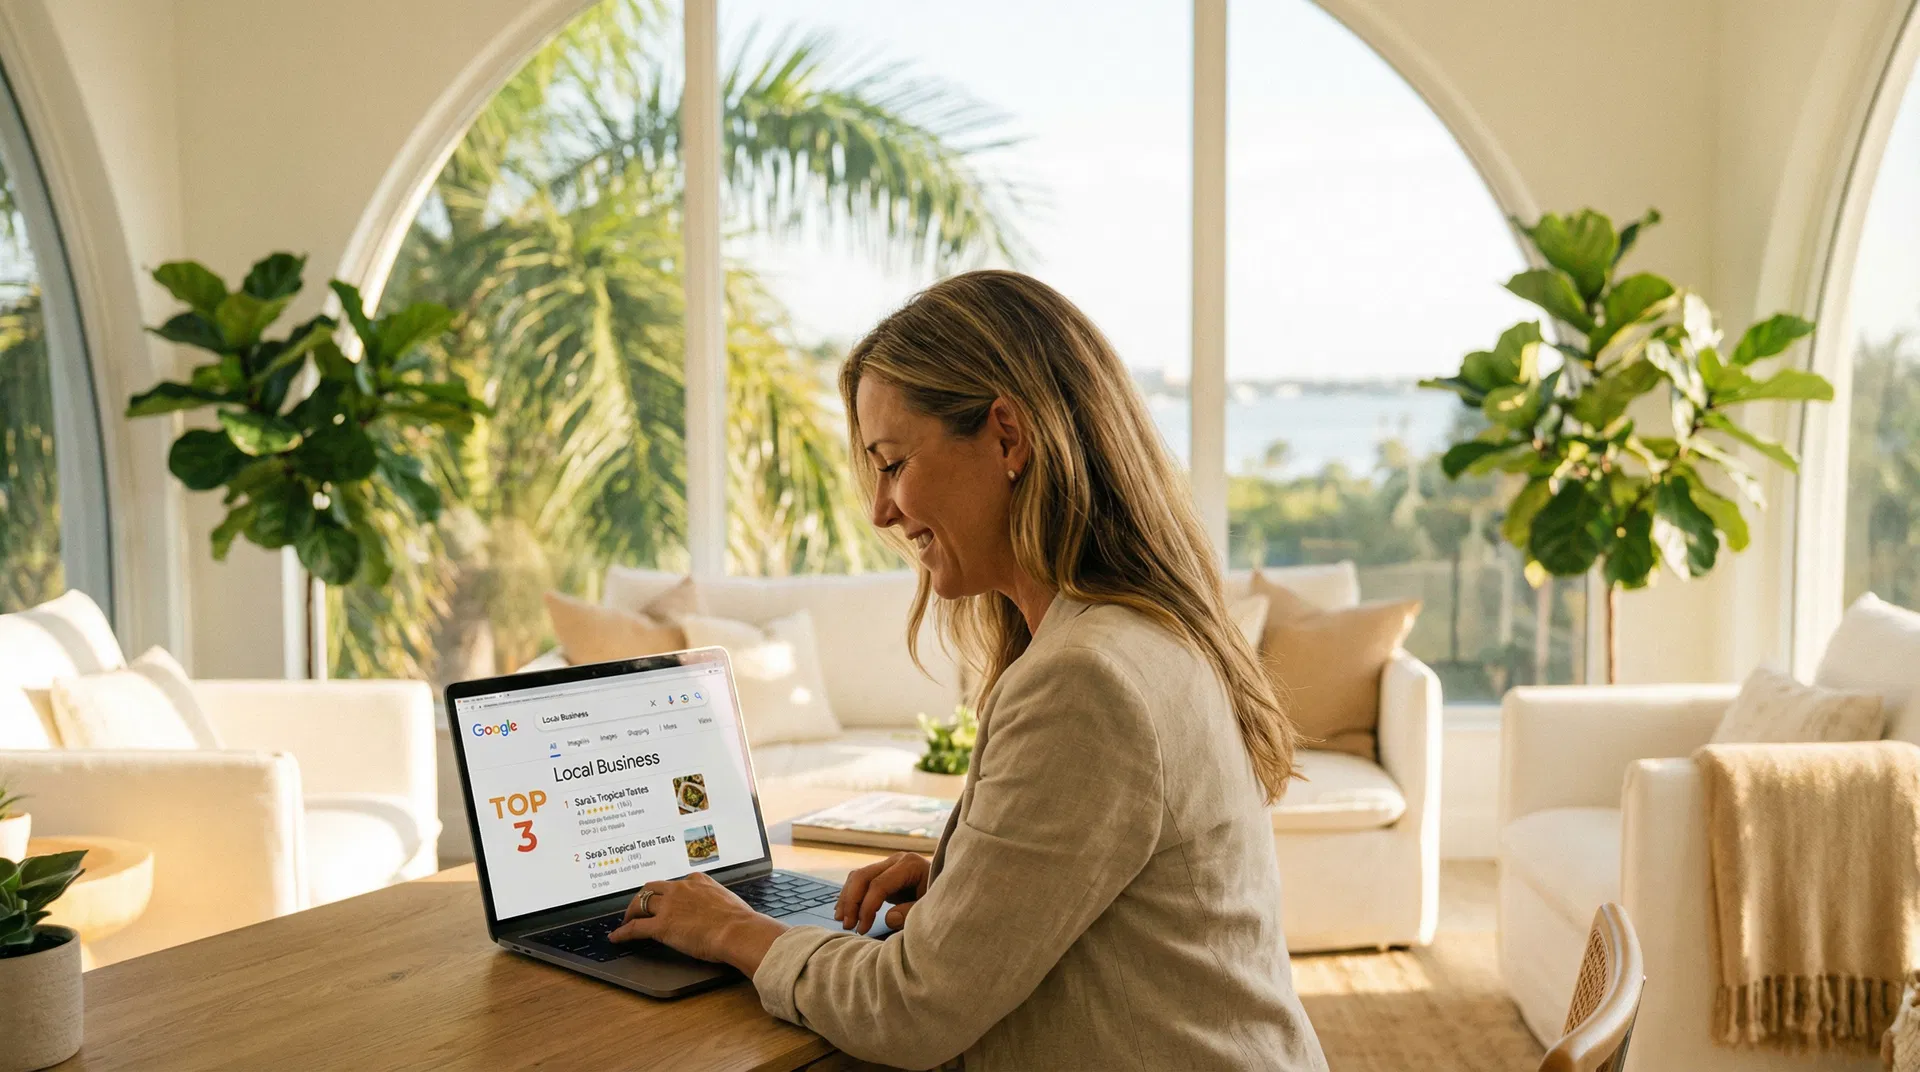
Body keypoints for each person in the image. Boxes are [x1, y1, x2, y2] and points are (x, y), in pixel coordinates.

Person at [611, 270, 1329, 1070]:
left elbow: (912, 1011)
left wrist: (731, 929)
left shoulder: (1087, 680)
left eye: (892, 462)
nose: (881, 509)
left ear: (1008, 437)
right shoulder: (1143, 631)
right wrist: (966, 884)